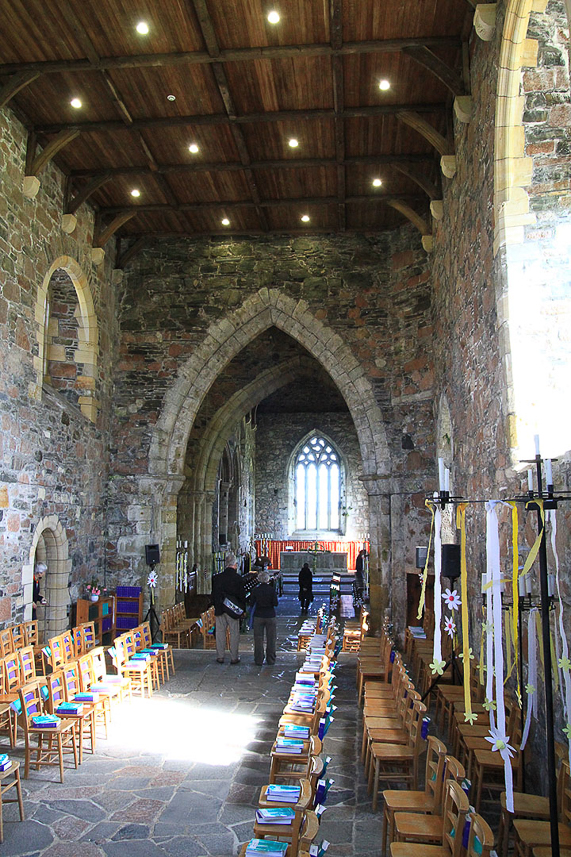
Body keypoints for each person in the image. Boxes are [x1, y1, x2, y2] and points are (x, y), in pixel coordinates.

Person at [212, 551, 246, 664]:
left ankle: (220, 656)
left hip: (220, 609)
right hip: (233, 610)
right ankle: (234, 657)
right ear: (235, 565)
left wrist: (216, 606)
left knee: (220, 633)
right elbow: (242, 595)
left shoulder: (217, 578)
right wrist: (243, 610)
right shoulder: (238, 578)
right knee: (234, 633)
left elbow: (214, 594)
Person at [251, 570, 278, 666]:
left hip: (258, 615)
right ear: (268, 580)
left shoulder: (256, 590)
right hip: (270, 615)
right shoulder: (271, 590)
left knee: (258, 638)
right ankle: (270, 659)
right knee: (271, 638)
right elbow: (275, 603)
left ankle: (258, 659)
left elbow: (251, 603)